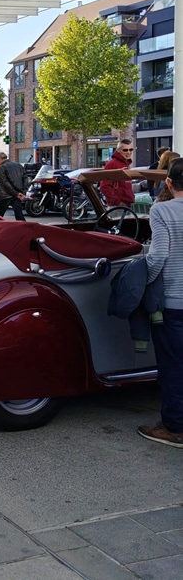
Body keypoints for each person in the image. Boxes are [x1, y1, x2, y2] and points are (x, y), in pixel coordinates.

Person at [139, 157, 183, 447]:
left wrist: (143, 281)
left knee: (174, 367)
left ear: (168, 182)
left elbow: (158, 256)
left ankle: (175, 428)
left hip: (174, 303)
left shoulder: (162, 210)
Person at [100, 139, 135, 207]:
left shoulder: (126, 164)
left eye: (131, 150)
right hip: (117, 206)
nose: (128, 152)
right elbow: (104, 186)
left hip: (126, 205)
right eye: (125, 150)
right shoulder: (112, 164)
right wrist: (119, 203)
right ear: (118, 150)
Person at [0, 151, 26, 221]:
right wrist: (22, 191)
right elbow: (25, 179)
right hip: (18, 194)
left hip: (5, 195)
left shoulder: (1, 168)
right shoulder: (18, 165)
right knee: (19, 215)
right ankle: (24, 227)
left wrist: (15, 193)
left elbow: (4, 183)